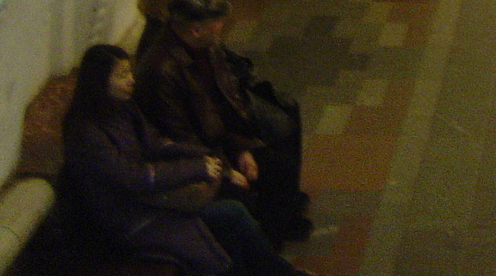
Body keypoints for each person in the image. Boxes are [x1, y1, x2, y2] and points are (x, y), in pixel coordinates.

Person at [60, 44, 314, 276]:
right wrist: (194, 167)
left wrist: (206, 157)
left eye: (129, 73)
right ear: (98, 81)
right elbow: (132, 178)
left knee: (234, 211)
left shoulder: (121, 107)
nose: (131, 81)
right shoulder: (87, 132)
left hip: (151, 201)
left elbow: (156, 143)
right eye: (121, 75)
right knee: (229, 215)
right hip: (132, 216)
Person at [134, 0, 312, 246]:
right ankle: (266, 248)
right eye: (216, 22)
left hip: (219, 141)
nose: (221, 26)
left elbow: (223, 102)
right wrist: (227, 168)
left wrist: (242, 148)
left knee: (279, 163)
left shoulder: (206, 46)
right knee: (245, 194)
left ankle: (278, 232)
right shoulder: (161, 71)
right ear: (195, 29)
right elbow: (181, 136)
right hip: (192, 159)